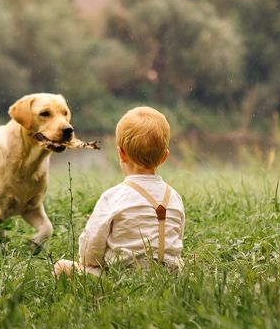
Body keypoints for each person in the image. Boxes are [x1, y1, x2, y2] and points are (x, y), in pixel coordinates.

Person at [54, 106, 184, 276]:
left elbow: (91, 247)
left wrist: (92, 263)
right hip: (169, 275)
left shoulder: (113, 197)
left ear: (121, 154)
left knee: (60, 267)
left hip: (121, 275)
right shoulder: (174, 197)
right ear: (164, 157)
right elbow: (177, 238)